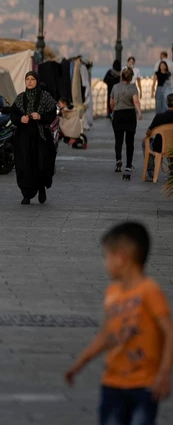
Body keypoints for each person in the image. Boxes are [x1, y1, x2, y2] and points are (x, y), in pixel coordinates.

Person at [65, 222, 173, 425]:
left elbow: (169, 332)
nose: (105, 263)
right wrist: (80, 363)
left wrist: (165, 373)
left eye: (107, 257)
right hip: (112, 384)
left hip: (144, 385)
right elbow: (106, 336)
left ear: (122, 257)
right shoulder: (112, 293)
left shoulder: (150, 291)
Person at [10, 71, 58, 205]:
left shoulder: (45, 97)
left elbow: (53, 113)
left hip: (41, 136)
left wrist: (40, 117)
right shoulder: (20, 98)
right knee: (24, 164)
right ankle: (26, 194)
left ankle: (41, 187)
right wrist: (21, 119)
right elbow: (13, 115)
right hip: (23, 137)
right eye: (27, 79)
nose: (29, 82)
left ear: (37, 81)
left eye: (32, 79)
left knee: (41, 164)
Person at [110, 68, 143, 174]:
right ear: (131, 77)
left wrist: (113, 110)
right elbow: (136, 101)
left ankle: (118, 160)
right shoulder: (133, 87)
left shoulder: (115, 87)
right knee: (130, 142)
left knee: (118, 141)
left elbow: (111, 102)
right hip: (130, 115)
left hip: (118, 114)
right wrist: (139, 112)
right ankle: (129, 165)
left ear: (121, 76)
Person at [143, 93, 173, 181]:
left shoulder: (160, 117)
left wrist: (148, 136)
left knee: (145, 143)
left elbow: (148, 132)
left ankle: (151, 172)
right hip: (172, 146)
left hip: (160, 147)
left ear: (166, 102)